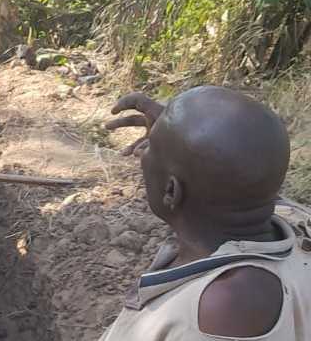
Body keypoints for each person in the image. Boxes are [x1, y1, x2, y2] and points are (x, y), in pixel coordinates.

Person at [102, 86, 311, 340]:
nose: (142, 151)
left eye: (149, 148)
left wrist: (171, 141)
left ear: (171, 191)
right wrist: (172, 136)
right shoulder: (297, 218)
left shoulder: (217, 315)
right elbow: (243, 160)